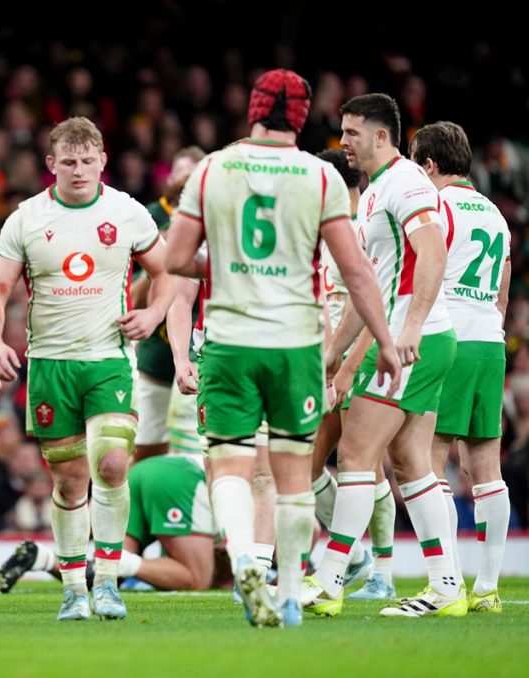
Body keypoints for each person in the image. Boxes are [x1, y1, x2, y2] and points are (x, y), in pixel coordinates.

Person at [165, 71, 400, 627]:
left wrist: (228, 263)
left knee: (226, 461)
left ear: (252, 111)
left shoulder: (212, 169)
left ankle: (246, 558)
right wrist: (385, 342)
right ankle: (291, 591)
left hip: (229, 339)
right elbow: (356, 271)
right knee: (294, 473)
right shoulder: (320, 177)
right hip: (296, 342)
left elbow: (175, 260)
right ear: (300, 117)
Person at [0, 116, 175, 621]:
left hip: (109, 360)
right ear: (51, 165)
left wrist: (154, 313)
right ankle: (74, 590)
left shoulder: (127, 213)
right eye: (68, 161)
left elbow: (166, 274)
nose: (79, 169)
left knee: (111, 465)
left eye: (88, 160)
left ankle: (109, 582)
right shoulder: (25, 218)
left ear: (103, 161)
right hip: (49, 365)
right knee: (69, 483)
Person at [306, 94, 463, 619]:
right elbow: (366, 289)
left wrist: (411, 327)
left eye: (351, 133)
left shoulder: (407, 183)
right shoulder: (375, 193)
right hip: (410, 338)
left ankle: (329, 581)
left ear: (380, 136)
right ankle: (446, 587)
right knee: (410, 463)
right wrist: (334, 354)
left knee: (354, 455)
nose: (343, 142)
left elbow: (434, 250)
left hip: (410, 342)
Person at [413, 121, 511, 613]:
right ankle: (487, 589)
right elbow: (502, 292)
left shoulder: (436, 205)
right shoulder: (495, 213)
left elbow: (423, 271)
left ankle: (444, 584)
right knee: (485, 468)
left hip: (448, 338)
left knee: (425, 459)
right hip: (490, 343)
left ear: (428, 164)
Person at [311, 149, 397, 601]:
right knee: (307, 465)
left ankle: (382, 570)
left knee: (366, 465)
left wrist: (346, 364)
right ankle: (358, 555)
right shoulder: (323, 229)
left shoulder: (365, 227)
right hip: (326, 361)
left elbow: (372, 306)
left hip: (359, 360)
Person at [0, 453, 215, 593]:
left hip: (145, 471)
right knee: (196, 578)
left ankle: (42, 558)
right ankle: (114, 559)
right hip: (179, 478)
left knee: (110, 580)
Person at [133, 147, 205, 461]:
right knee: (146, 447)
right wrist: (163, 258)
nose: (187, 183)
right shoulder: (148, 217)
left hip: (200, 348)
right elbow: (133, 298)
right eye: (182, 175)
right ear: (171, 178)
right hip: (155, 350)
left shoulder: (215, 218)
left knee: (192, 450)